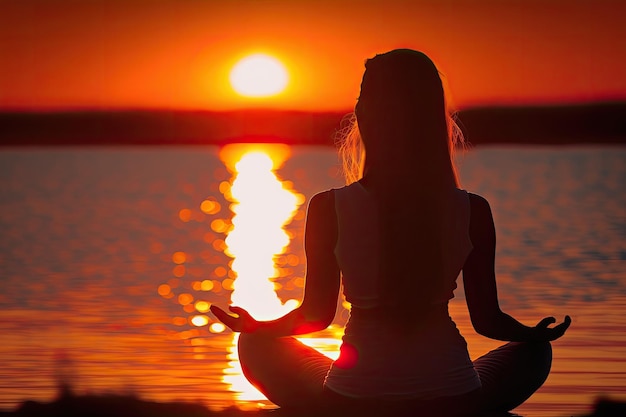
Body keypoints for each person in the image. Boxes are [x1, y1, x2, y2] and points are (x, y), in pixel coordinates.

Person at [210, 49, 571, 416]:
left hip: (350, 401)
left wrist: (257, 326)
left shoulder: (328, 207)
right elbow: (488, 321)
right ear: (431, 117)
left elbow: (316, 316)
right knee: (536, 351)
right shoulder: (473, 210)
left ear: (367, 114)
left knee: (254, 344)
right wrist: (535, 334)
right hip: (456, 399)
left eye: (363, 95)